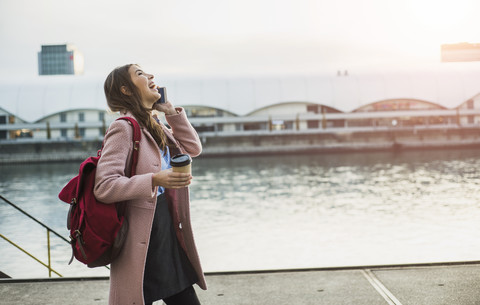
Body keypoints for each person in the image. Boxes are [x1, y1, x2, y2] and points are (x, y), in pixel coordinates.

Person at [94, 64, 207, 305]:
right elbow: (104, 186)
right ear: (126, 90)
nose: (151, 76)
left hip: (164, 227)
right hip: (141, 236)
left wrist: (171, 113)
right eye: (140, 74)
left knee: (183, 296)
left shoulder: (153, 124)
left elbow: (193, 149)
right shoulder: (123, 127)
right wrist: (155, 180)